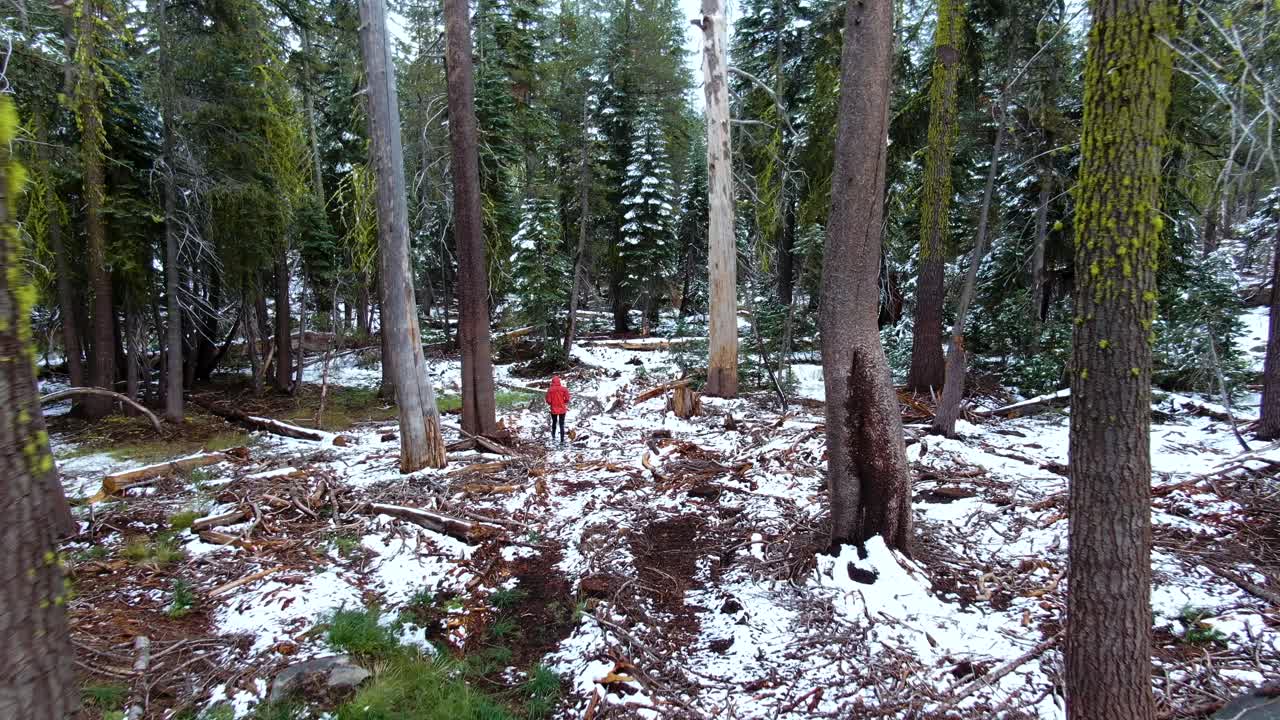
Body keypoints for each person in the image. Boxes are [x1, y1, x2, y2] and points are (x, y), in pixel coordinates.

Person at [545, 376, 570, 445]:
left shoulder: (550, 390)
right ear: (559, 382)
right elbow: (567, 399)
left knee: (554, 422)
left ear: (552, 382)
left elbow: (548, 400)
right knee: (562, 424)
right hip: (562, 409)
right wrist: (563, 402)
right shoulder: (564, 389)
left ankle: (553, 436)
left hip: (554, 409)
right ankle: (562, 440)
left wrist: (552, 403)